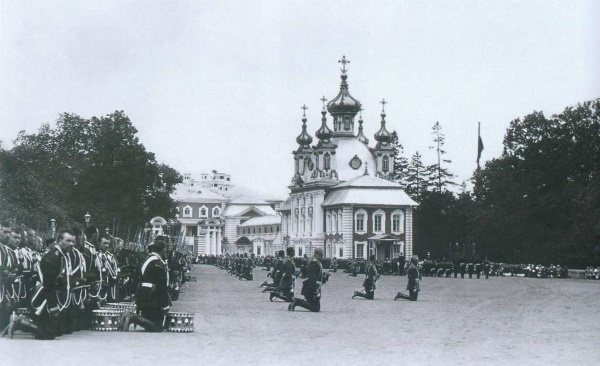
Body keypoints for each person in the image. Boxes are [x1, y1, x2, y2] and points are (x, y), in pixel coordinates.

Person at [123, 236, 171, 332]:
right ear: (162, 250)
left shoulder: (148, 259)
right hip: (153, 299)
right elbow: (161, 286)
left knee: (155, 323)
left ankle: (137, 318)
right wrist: (165, 304)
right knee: (157, 327)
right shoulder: (157, 263)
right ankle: (133, 318)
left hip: (144, 297)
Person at [288, 248, 328, 312]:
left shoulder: (315, 262)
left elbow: (317, 276)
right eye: (321, 255)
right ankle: (296, 301)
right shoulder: (313, 263)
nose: (322, 256)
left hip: (311, 287)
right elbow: (312, 278)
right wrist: (315, 290)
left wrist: (324, 278)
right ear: (317, 254)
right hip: (310, 288)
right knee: (315, 308)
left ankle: (296, 301)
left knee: (315, 307)